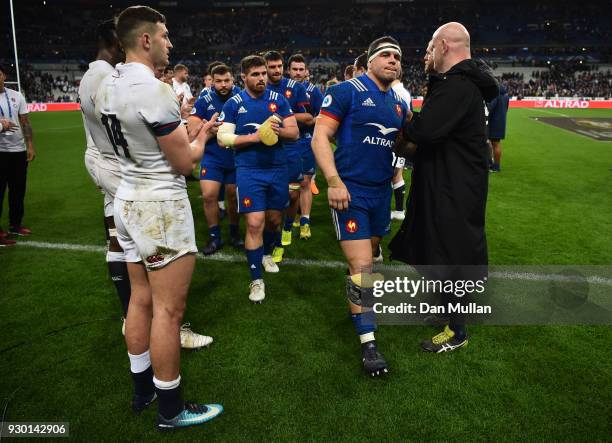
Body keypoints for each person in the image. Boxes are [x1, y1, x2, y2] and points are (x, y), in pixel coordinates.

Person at [97, 5, 223, 430]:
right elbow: (185, 164)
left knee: (139, 299)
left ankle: (142, 389)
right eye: (166, 36)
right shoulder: (155, 90)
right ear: (146, 40)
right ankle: (171, 409)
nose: (171, 44)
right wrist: (203, 134)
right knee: (169, 311)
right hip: (160, 205)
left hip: (127, 199)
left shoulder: (107, 84)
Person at [389, 22, 499, 353]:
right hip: (454, 182)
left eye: (429, 48)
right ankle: (446, 313)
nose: (426, 55)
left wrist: (404, 124)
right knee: (441, 248)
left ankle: (458, 332)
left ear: (444, 47)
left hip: (453, 187)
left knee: (450, 252)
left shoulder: (456, 86)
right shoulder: (466, 86)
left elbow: (423, 131)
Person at [312, 36, 410, 376]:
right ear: (369, 61)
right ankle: (369, 344)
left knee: (370, 257)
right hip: (350, 193)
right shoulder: (345, 92)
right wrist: (334, 182)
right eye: (385, 55)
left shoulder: (399, 104)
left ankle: (359, 301)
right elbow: (320, 136)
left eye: (397, 57)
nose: (393, 61)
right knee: (363, 267)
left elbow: (404, 146)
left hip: (381, 194)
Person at [217, 55, 298, 303]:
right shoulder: (234, 103)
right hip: (248, 170)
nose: (262, 78)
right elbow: (223, 138)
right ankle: (256, 280)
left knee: (274, 220)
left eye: (263, 73)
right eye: (256, 74)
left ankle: (265, 253)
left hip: (277, 168)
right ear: (244, 77)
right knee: (254, 224)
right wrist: (254, 138)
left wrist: (277, 131)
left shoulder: (278, 100)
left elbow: (294, 133)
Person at [188, 64, 243, 254]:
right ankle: (215, 237)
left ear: (233, 80)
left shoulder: (242, 97)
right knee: (209, 195)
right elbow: (192, 129)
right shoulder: (204, 99)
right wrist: (207, 128)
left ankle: (235, 234)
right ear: (212, 81)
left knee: (233, 197)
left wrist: (212, 127)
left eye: (226, 80)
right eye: (218, 81)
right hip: (212, 157)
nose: (223, 85)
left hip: (236, 156)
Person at [264, 51, 313, 260]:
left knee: (293, 194)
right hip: (265, 147)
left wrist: (284, 117)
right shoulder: (258, 88)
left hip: (293, 144)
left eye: (279, 66)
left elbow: (309, 116)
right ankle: (271, 237)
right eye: (272, 67)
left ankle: (286, 228)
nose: (276, 71)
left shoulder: (295, 88)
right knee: (269, 195)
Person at [287, 53, 322, 241]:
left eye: (301, 69)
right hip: (285, 142)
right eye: (295, 69)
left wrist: (310, 120)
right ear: (289, 70)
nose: (298, 73)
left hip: (306, 140)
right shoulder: (281, 89)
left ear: (307, 71)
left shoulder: (313, 91)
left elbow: (322, 115)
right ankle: (290, 217)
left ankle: (305, 222)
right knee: (288, 185)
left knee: (306, 183)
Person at [0, 64, 36, 246]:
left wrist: (30, 145)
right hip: (0, 152)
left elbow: (25, 122)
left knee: (18, 191)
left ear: (4, 75)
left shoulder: (16, 96)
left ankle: (15, 225)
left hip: (18, 151)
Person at [487, 84, 509, 172]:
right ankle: (494, 164)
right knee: (496, 143)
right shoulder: (506, 97)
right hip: (501, 122)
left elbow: (490, 108)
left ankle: (495, 166)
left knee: (494, 144)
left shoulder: (496, 96)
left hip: (493, 122)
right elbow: (506, 109)